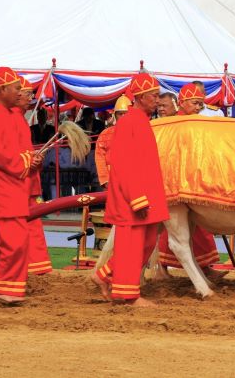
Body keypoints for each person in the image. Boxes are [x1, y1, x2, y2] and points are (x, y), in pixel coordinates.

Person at [91, 73, 169, 306]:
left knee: (144, 244)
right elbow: (123, 164)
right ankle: (127, 295)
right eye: (154, 96)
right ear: (142, 97)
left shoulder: (141, 120)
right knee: (131, 244)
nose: (158, 100)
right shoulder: (129, 122)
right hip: (133, 198)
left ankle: (104, 275)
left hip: (145, 195)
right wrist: (137, 198)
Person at [157, 83, 221, 276]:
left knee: (195, 227)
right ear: (183, 103)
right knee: (176, 227)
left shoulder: (195, 122)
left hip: (192, 182)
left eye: (201, 104)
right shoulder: (175, 124)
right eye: (195, 103)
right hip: (176, 183)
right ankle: (164, 266)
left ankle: (202, 267)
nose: (198, 108)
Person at [0, 67, 43, 304]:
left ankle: (5, 287)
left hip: (10, 186)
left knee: (11, 240)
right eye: (16, 88)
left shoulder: (6, 114)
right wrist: (25, 161)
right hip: (4, 188)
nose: (20, 93)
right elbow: (1, 154)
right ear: (2, 89)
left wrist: (29, 161)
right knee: (15, 240)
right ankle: (6, 289)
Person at [14, 77, 52, 276]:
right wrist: (30, 160)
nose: (30, 98)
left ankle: (37, 267)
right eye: (28, 93)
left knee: (33, 225)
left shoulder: (19, 118)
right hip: (17, 181)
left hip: (27, 179)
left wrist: (33, 159)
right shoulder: (11, 118)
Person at [94, 95, 131, 188]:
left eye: (125, 113)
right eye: (120, 114)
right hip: (112, 180)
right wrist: (105, 180)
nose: (123, 116)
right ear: (115, 115)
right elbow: (100, 158)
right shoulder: (105, 134)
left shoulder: (139, 131)